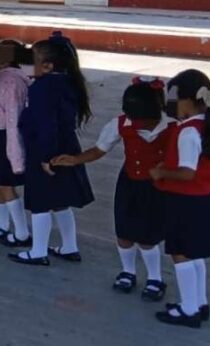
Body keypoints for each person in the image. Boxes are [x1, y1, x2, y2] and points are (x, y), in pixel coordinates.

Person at [52, 77, 175, 300]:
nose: (139, 125)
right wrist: (75, 160)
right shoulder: (120, 124)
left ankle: (155, 277)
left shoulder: (173, 125)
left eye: (144, 121)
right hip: (129, 183)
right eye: (134, 119)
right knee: (124, 232)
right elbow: (100, 149)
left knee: (148, 236)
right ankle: (128, 271)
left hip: (157, 186)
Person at [150, 69, 210, 328]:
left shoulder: (188, 132)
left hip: (185, 202)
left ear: (188, 100)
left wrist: (161, 171)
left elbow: (186, 172)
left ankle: (188, 309)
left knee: (181, 254)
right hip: (203, 199)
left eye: (175, 98)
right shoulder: (206, 124)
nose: (172, 104)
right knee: (195, 255)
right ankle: (198, 302)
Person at [9, 33, 95, 266]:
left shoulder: (43, 88)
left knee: (40, 202)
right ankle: (69, 246)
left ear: (47, 66)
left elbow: (47, 124)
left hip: (45, 151)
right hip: (66, 147)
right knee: (60, 201)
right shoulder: (66, 83)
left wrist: (46, 157)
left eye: (32, 60)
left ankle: (38, 252)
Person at [0, 40, 33, 247]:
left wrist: (15, 152)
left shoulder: (12, 81)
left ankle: (21, 232)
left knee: (5, 183)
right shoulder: (1, 76)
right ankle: (2, 225)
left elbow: (13, 117)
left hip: (7, 136)